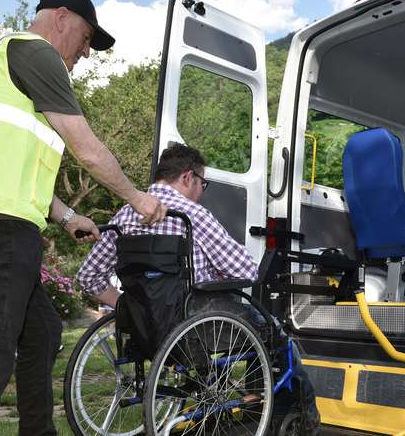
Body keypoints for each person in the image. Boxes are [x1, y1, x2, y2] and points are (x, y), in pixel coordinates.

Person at [0, 0, 166, 435]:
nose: (85, 51)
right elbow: (89, 151)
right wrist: (138, 198)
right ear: (61, 17)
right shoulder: (35, 54)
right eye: (85, 37)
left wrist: (65, 216)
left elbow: (9, 163)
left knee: (39, 331)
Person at [76, 144, 320, 434]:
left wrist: (130, 306)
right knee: (275, 334)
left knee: (218, 315)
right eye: (202, 183)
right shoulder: (192, 215)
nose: (202, 191)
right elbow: (246, 271)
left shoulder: (124, 217)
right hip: (195, 325)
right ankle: (303, 416)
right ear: (188, 177)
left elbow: (88, 276)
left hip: (147, 329)